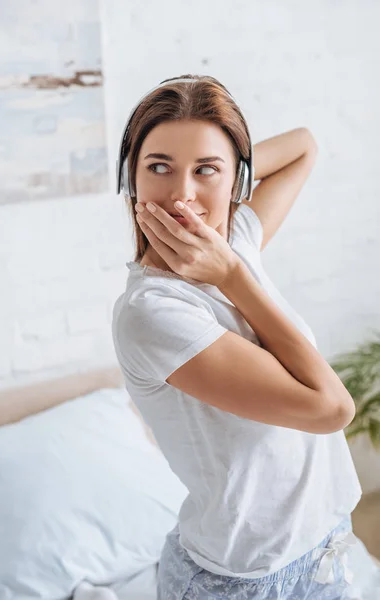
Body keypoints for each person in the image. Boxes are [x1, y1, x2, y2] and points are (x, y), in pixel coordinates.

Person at [112, 74, 362, 599]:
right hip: (242, 582)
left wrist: (229, 185)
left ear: (236, 182)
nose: (182, 194)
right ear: (132, 178)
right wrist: (231, 277)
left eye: (206, 170)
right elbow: (332, 408)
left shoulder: (237, 241)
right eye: (159, 167)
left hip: (325, 547)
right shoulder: (151, 314)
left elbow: (303, 147)